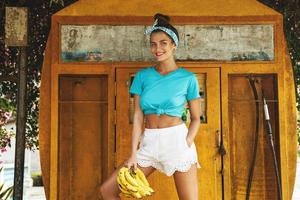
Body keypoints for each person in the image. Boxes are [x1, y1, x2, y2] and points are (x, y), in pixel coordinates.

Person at [99, 13, 201, 200]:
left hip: (176, 140)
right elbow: (138, 116)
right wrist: (132, 154)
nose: (157, 48)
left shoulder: (188, 78)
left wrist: (186, 143)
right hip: (150, 142)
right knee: (108, 190)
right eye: (153, 44)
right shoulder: (142, 77)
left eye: (163, 43)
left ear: (173, 45)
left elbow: (196, 118)